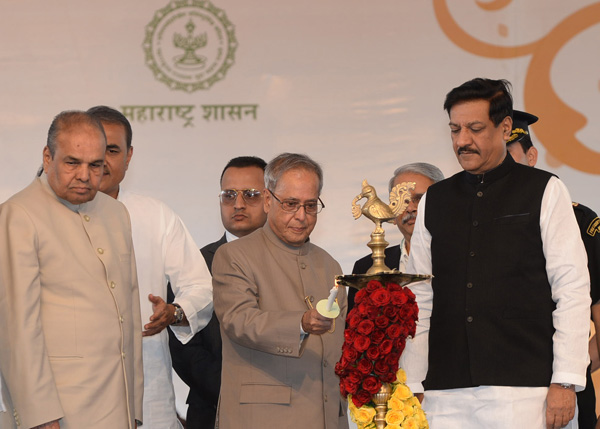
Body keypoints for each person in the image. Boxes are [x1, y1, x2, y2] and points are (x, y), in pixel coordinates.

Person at [401, 78, 591, 429]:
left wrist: (565, 379)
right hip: (444, 390)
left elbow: (572, 289)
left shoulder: (544, 190)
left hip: (526, 390)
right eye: (455, 129)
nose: (462, 141)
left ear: (505, 128)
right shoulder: (436, 200)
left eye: (475, 129)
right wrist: (412, 380)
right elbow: (420, 295)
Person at [0, 111, 143, 428]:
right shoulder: (18, 215)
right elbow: (17, 329)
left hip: (117, 404)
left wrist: (133, 407)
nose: (84, 175)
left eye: (95, 165)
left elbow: (129, 315)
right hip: (59, 410)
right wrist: (39, 414)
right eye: (72, 162)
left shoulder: (116, 214)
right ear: (47, 157)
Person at [87, 106, 213, 429]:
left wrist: (175, 312)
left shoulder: (155, 215)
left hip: (148, 387)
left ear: (128, 157)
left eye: (112, 150)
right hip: (76, 389)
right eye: (92, 150)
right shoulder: (49, 219)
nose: (101, 160)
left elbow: (200, 286)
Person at [212, 152, 348, 429]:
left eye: (310, 206)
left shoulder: (329, 264)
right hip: (262, 419)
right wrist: (300, 323)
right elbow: (240, 321)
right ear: (267, 200)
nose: (301, 216)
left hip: (326, 416)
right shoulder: (234, 255)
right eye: (290, 204)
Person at [507, 109, 600, 429]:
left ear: (531, 156)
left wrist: (569, 374)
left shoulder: (580, 222)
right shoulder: (471, 223)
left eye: (508, 155)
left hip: (564, 398)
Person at [168, 155, 268, 428]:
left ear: (271, 199)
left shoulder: (293, 262)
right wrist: (231, 387)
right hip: (213, 408)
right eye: (228, 195)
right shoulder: (194, 263)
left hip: (284, 407)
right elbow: (181, 343)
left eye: (250, 194)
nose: (238, 204)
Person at [348, 163, 444, 312]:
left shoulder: (461, 258)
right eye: (402, 200)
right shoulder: (365, 268)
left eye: (419, 199)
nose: (410, 208)